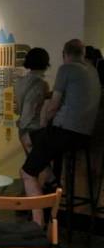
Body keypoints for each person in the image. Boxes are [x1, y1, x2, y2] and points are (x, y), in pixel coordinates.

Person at [21, 39, 102, 225]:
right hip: (84, 136)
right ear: (83, 54)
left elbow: (53, 105)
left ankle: (37, 223)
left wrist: (44, 123)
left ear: (64, 54)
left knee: (26, 171)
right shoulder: (93, 71)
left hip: (64, 132)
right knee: (30, 138)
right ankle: (50, 178)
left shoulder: (66, 69)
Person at [15, 47, 50, 154]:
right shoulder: (42, 84)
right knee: (38, 167)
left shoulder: (19, 82)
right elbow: (32, 108)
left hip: (22, 129)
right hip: (34, 130)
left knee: (31, 165)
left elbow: (18, 108)